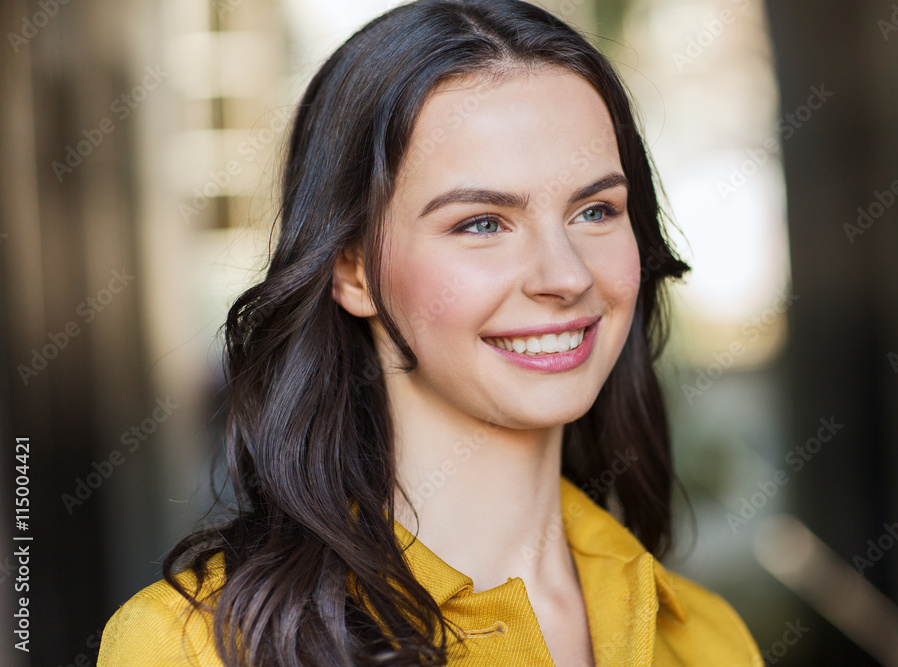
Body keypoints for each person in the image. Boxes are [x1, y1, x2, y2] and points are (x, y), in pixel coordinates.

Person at [97, 1, 764, 665]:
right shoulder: (191, 646)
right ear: (352, 268)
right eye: (482, 222)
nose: (565, 276)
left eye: (595, 210)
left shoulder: (711, 639)